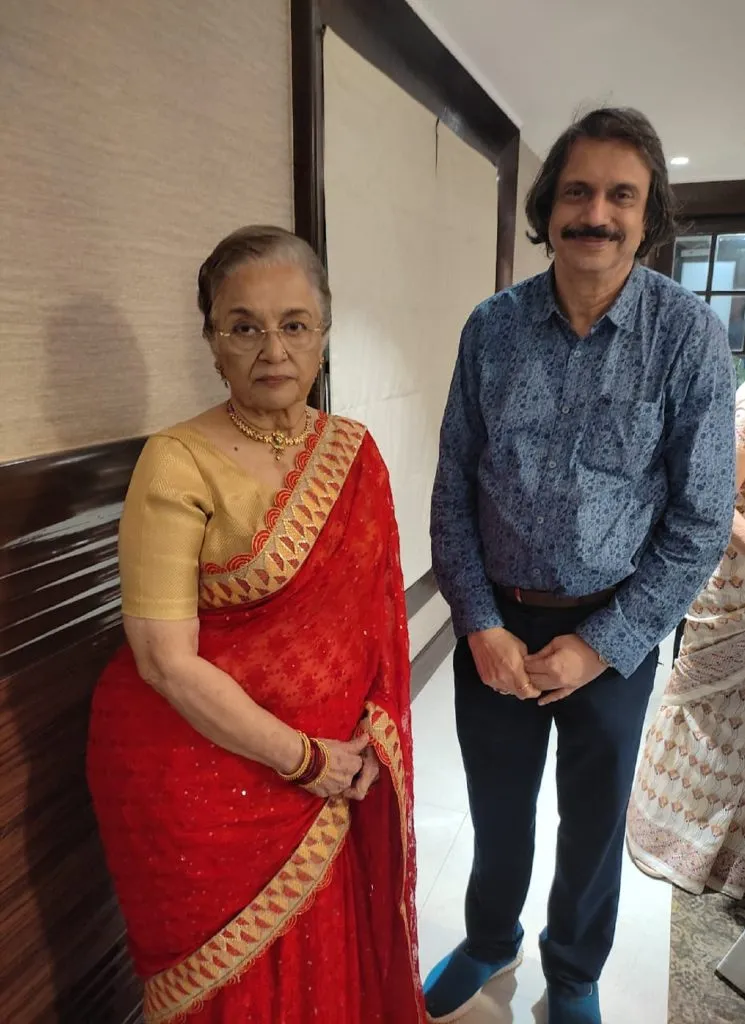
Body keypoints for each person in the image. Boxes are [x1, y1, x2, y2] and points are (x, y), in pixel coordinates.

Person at [427, 108, 736, 1024]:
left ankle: (571, 971)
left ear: (648, 218)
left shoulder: (685, 338)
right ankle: (488, 940)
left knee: (592, 824)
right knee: (497, 806)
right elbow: (451, 491)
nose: (594, 212)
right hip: (496, 624)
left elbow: (696, 519)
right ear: (546, 206)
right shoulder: (490, 329)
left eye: (619, 195)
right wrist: (479, 623)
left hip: (617, 627)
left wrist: (600, 646)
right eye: (576, 191)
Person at [87, 226, 425, 1023]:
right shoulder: (177, 460)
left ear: (322, 335)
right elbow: (162, 661)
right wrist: (308, 760)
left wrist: (363, 744)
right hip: (195, 786)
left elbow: (374, 628)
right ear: (212, 342)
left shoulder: (353, 452)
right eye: (244, 326)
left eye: (294, 324)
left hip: (333, 768)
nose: (271, 347)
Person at [627, 382, 745, 897]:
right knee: (702, 713)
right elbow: (718, 508)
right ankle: (668, 836)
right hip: (730, 586)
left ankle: (722, 857)